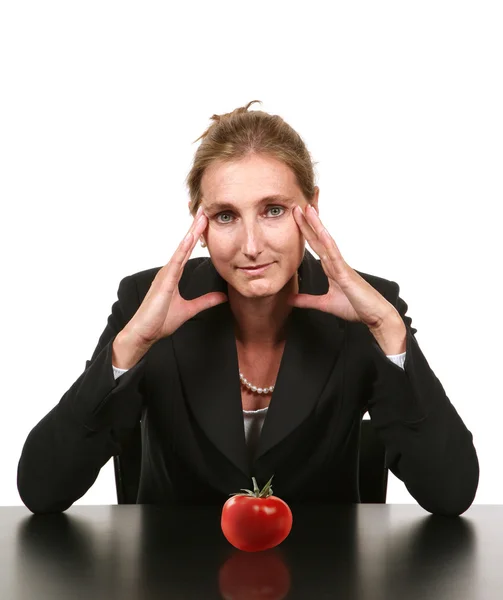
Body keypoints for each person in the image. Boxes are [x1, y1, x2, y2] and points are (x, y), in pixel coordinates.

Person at [17, 100, 479, 516]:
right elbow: (42, 490)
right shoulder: (150, 302)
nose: (251, 245)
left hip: (324, 576)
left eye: (274, 210)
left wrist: (386, 329)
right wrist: (129, 347)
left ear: (312, 206)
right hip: (175, 577)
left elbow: (451, 492)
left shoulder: (370, 308)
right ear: (200, 224)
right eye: (225, 216)